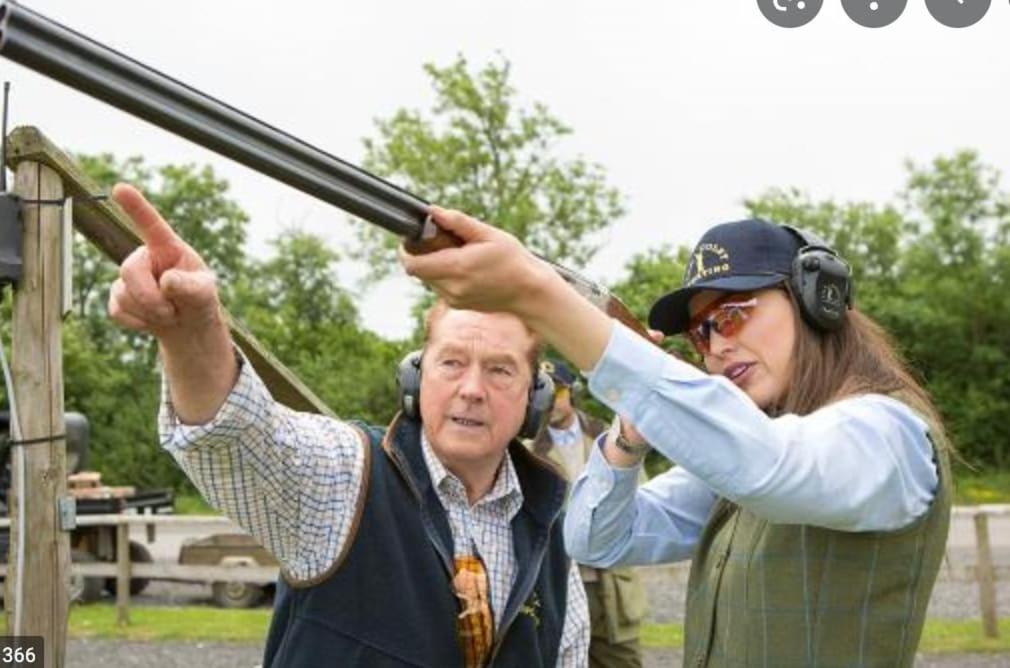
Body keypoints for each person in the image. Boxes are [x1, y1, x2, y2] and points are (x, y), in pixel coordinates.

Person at [399, 208, 952, 668]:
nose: (715, 347)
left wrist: (539, 295)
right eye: (701, 333)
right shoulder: (756, 448)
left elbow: (772, 467)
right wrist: (629, 435)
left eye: (733, 315)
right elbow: (597, 539)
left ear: (816, 299)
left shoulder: (888, 434)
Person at [106, 184, 589, 668]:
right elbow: (237, 436)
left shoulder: (553, 533)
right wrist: (192, 331)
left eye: (500, 370)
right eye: (452, 363)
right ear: (416, 378)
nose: (471, 388)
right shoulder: (347, 477)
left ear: (535, 397)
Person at [531, 360, 646, 668]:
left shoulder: (611, 435)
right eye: (543, 392)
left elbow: (641, 497)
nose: (551, 401)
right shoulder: (528, 449)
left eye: (557, 392)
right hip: (559, 583)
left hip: (611, 585)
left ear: (572, 392)